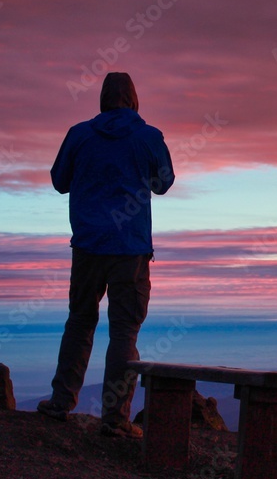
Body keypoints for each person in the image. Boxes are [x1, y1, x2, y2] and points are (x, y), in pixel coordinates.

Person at [37, 72, 175, 438]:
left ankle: (60, 403)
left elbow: (59, 181)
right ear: (133, 99)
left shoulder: (79, 134)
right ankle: (115, 419)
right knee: (124, 332)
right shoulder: (148, 137)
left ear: (102, 99)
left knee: (80, 322)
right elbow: (164, 183)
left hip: (87, 245)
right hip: (129, 249)